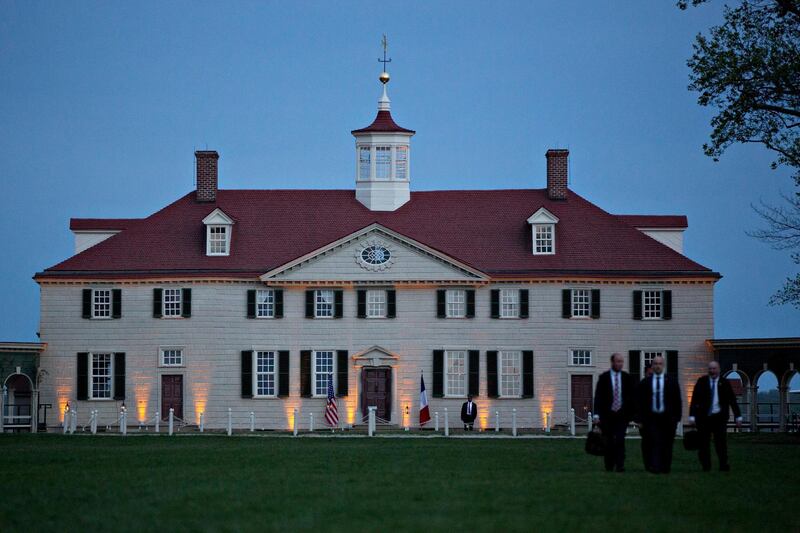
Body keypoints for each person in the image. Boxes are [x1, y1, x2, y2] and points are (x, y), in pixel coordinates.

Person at [689, 360, 742, 471]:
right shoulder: (701, 382)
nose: (712, 371)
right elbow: (694, 399)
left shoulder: (725, 383)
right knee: (703, 444)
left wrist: (738, 416)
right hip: (704, 418)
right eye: (710, 369)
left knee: (721, 443)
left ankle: (723, 465)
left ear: (719, 370)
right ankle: (706, 466)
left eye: (714, 369)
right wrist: (692, 416)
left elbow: (732, 400)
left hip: (719, 418)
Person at [635, 355, 682, 474]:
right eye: (655, 364)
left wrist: (677, 418)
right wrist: (639, 419)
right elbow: (639, 402)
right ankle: (655, 467)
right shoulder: (645, 383)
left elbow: (677, 400)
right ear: (652, 366)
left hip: (667, 418)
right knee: (654, 442)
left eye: (660, 364)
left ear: (663, 365)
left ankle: (665, 467)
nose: (657, 366)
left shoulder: (672, 382)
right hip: (651, 419)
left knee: (667, 444)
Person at [592, 353, 635, 472]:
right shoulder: (604, 377)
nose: (620, 364)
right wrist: (596, 414)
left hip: (622, 415)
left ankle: (620, 465)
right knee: (609, 441)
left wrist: (631, 414)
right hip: (607, 415)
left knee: (620, 440)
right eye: (618, 361)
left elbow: (631, 397)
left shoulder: (627, 378)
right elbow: (598, 397)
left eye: (622, 362)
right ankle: (609, 465)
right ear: (612, 362)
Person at [640, 362, 654, 471]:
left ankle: (655, 463)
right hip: (645, 419)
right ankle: (648, 464)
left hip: (657, 418)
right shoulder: (642, 385)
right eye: (649, 374)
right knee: (647, 443)